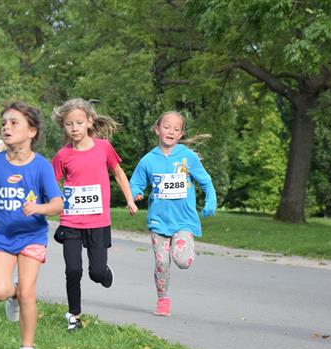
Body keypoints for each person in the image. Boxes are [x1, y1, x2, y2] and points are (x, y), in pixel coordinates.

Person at [0, 102, 64, 349]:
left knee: (27, 292)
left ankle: (27, 348)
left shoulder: (41, 166)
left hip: (32, 236)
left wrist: (39, 208)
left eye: (14, 123)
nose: (6, 128)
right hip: (1, 237)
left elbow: (58, 204)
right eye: (4, 123)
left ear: (31, 132)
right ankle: (12, 296)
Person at [51, 98, 137, 331]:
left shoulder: (104, 148)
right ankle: (74, 315)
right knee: (73, 270)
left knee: (97, 273)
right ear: (64, 126)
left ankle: (104, 272)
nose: (74, 128)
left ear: (89, 122)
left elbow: (118, 173)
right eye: (69, 124)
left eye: (79, 123)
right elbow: (50, 182)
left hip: (98, 221)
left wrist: (129, 199)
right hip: (71, 221)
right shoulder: (63, 155)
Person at [129, 111, 216, 317]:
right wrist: (135, 194)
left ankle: (185, 248)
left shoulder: (188, 157)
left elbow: (205, 181)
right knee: (162, 262)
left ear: (181, 134)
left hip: (184, 220)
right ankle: (163, 299)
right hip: (159, 221)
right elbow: (135, 183)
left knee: (183, 261)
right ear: (157, 129)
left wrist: (211, 199)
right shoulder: (148, 160)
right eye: (167, 127)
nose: (171, 131)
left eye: (176, 129)